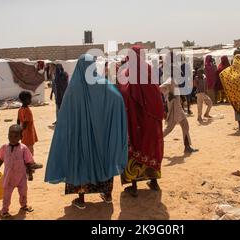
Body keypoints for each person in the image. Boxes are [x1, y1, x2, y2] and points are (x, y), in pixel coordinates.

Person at [45, 54, 127, 209]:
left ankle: (81, 199)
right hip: (102, 135)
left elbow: (64, 115)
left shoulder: (74, 89)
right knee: (104, 158)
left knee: (81, 161)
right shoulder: (104, 84)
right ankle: (107, 194)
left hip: (79, 137)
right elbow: (118, 99)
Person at [118, 46, 164, 198]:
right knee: (151, 148)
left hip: (134, 122)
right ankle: (154, 182)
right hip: (151, 121)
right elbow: (156, 95)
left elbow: (124, 94)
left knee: (134, 149)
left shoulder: (127, 74)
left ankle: (134, 186)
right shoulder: (149, 70)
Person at [0, 125, 35, 219]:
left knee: (23, 192)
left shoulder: (23, 148)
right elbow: (1, 159)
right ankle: (4, 211)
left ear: (21, 137)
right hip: (9, 178)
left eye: (16, 136)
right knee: (6, 195)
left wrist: (30, 174)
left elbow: (28, 162)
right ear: (7, 135)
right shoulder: (4, 147)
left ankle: (24, 205)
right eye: (10, 136)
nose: (12, 139)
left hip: (21, 177)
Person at [160, 78, 198, 154]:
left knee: (185, 125)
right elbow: (160, 88)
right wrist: (169, 94)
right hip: (174, 109)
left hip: (178, 108)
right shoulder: (170, 80)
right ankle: (155, 140)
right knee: (169, 128)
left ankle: (187, 147)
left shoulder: (174, 80)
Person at [18, 91, 39, 157]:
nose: (30, 100)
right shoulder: (27, 111)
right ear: (25, 100)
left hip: (23, 133)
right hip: (28, 133)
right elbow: (25, 123)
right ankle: (30, 163)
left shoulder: (20, 109)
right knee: (30, 149)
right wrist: (22, 130)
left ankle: (26, 162)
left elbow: (18, 120)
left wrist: (19, 132)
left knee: (24, 148)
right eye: (29, 99)